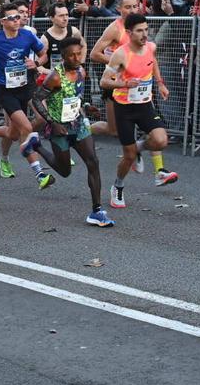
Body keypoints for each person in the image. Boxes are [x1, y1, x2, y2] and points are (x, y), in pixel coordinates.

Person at [31, 37, 114, 226]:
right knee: (65, 171)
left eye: (79, 53)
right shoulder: (55, 77)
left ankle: (97, 210)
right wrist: (51, 122)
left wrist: (87, 105)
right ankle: (36, 146)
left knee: (93, 162)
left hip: (78, 125)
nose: (77, 58)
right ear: (63, 57)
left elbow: (75, 97)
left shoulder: (81, 72)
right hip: (58, 129)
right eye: (72, 55)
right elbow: (36, 99)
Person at [100, 13, 177, 209]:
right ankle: (117, 186)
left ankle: (140, 148)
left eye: (146, 29)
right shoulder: (121, 54)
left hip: (144, 105)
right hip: (124, 108)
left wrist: (160, 83)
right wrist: (125, 84)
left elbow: (153, 62)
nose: (145, 34)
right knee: (128, 156)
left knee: (161, 140)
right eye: (139, 31)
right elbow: (104, 81)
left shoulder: (150, 47)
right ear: (129, 33)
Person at [0, 8, 55, 189]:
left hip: (27, 86)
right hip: (7, 92)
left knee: (16, 131)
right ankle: (40, 174)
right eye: (12, 18)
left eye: (18, 17)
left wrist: (37, 63)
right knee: (24, 128)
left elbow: (44, 53)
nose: (17, 20)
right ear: (2, 21)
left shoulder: (28, 35)